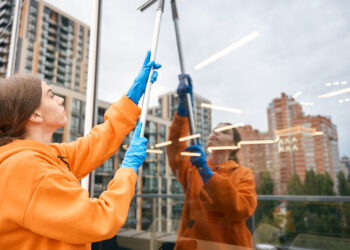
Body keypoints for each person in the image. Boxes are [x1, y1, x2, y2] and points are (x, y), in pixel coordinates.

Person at [0, 51, 161, 250]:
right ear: (35, 114)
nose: (60, 100)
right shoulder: (26, 168)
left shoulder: (42, 156)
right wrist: (127, 169)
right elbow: (101, 219)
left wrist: (132, 97)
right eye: (51, 96)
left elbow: (93, 145)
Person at [166, 74, 257, 249]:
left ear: (234, 146)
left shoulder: (243, 174)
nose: (215, 133)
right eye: (215, 130)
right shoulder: (193, 169)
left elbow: (241, 209)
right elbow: (175, 147)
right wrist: (183, 112)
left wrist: (207, 174)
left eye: (224, 132)